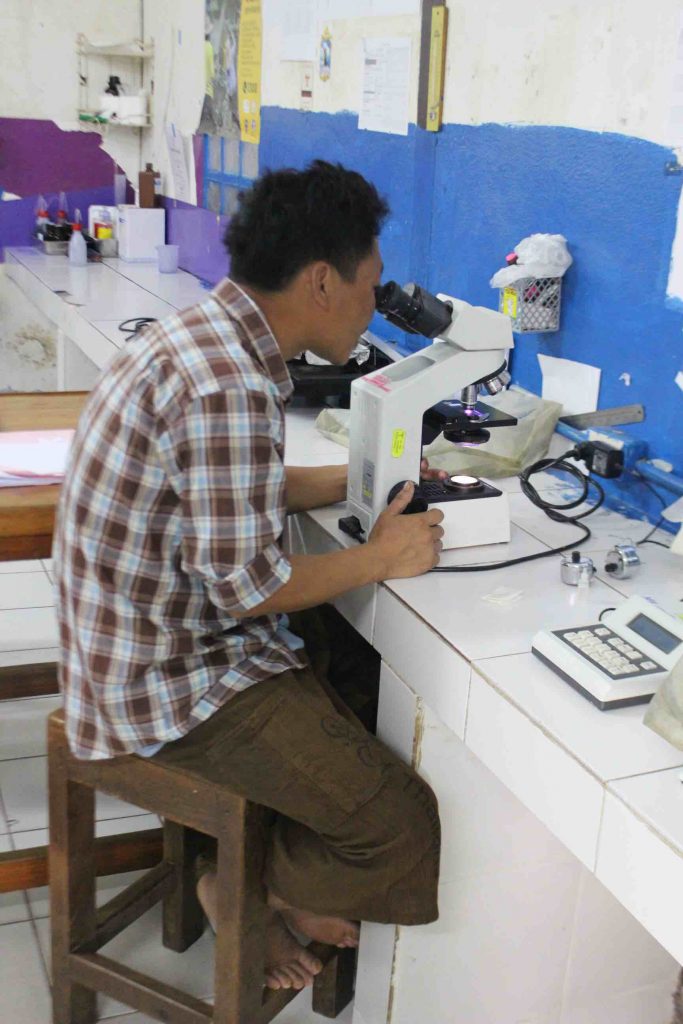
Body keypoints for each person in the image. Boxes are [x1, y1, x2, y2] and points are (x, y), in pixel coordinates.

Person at [53, 159, 444, 993]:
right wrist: (383, 556)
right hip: (162, 683)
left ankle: (241, 857)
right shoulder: (226, 381)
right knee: (400, 822)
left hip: (140, 644)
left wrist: (353, 477)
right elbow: (249, 588)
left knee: (350, 674)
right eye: (372, 287)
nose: (379, 307)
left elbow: (231, 489)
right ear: (321, 282)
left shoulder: (208, 337)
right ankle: (254, 892)